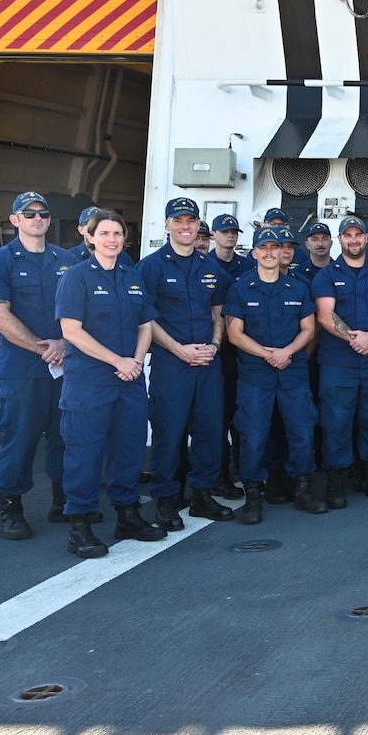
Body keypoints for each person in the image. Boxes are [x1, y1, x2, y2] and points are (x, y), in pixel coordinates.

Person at [54, 210, 162, 557]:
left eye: (117, 233)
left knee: (128, 450)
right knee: (84, 454)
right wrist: (118, 361)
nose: (112, 239)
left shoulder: (132, 277)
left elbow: (145, 324)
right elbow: (71, 331)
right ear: (90, 237)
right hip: (90, 382)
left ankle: (127, 515)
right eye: (104, 233)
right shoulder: (76, 277)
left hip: (128, 381)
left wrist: (135, 361)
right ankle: (80, 525)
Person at [0, 194, 80, 540]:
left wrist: (64, 343)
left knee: (65, 437)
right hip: (22, 369)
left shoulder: (67, 259)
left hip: (65, 364)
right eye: (29, 213)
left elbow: (82, 309)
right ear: (14, 219)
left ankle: (61, 500)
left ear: (50, 220)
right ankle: (11, 508)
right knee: (19, 440)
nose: (38, 218)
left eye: (43, 213)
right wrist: (43, 346)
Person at [139, 197, 235, 531]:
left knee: (210, 431)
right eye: (178, 221)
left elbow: (217, 313)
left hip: (208, 364)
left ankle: (202, 496)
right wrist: (180, 350)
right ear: (167, 225)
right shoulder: (150, 267)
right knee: (169, 432)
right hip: (172, 365)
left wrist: (215, 345)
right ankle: (166, 501)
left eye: (191, 221)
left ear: (198, 225)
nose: (185, 226)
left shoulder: (211, 268)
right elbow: (145, 319)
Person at [223, 226, 325, 521]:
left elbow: (308, 328)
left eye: (275, 248)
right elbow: (234, 334)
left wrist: (287, 352)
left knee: (302, 432)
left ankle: (303, 489)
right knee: (253, 436)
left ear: (283, 253)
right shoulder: (240, 288)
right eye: (263, 248)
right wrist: (268, 353)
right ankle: (254, 496)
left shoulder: (298, 288)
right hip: (256, 375)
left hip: (292, 372)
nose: (269, 253)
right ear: (254, 253)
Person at [311, 216, 368, 508]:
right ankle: (336, 481)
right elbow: (325, 314)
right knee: (336, 421)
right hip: (339, 362)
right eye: (347, 235)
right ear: (340, 240)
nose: (353, 240)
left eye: (358, 235)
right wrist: (356, 339)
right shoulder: (327, 275)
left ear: (366, 238)